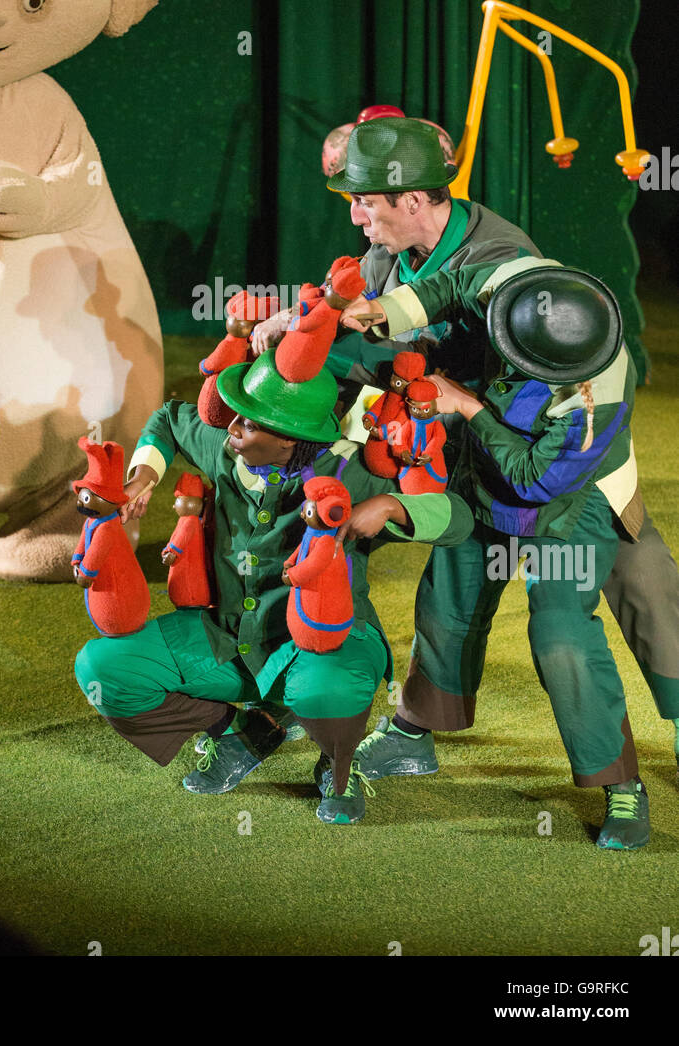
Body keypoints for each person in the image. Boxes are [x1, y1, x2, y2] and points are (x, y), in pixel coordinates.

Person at [253, 113, 679, 767]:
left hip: (553, 455)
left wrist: (461, 408)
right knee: (453, 587)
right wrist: (316, 315)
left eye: (365, 203)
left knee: (641, 585)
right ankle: (411, 731)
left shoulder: (507, 260)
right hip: (466, 446)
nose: (357, 218)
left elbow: (544, 458)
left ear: (412, 198)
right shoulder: (400, 248)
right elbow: (413, 295)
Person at [74, 349, 473, 826]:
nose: (234, 426)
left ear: (290, 441)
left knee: (325, 691)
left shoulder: (350, 475)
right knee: (105, 669)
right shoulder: (225, 449)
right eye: (240, 413)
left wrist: (390, 505)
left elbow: (459, 519)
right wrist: (144, 474)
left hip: (321, 646)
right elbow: (169, 418)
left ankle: (338, 769)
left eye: (252, 422)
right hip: (226, 639)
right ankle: (245, 731)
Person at [342, 260, 662, 849]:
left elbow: (534, 481)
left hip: (567, 505)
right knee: (448, 602)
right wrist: (387, 312)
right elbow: (447, 286)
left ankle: (623, 783)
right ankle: (414, 734)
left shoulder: (598, 399)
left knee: (561, 634)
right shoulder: (519, 281)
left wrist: (467, 407)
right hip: (483, 480)